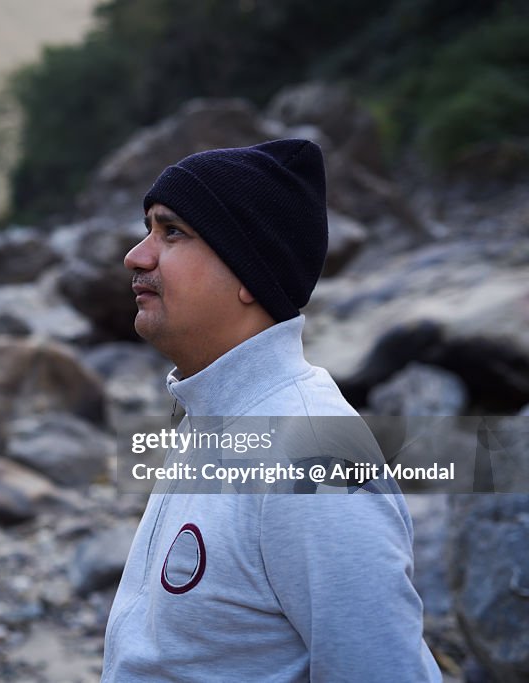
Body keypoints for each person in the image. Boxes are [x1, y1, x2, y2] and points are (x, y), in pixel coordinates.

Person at [101, 139, 442, 681]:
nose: (136, 255)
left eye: (172, 233)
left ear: (248, 274)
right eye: (149, 230)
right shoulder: (211, 413)